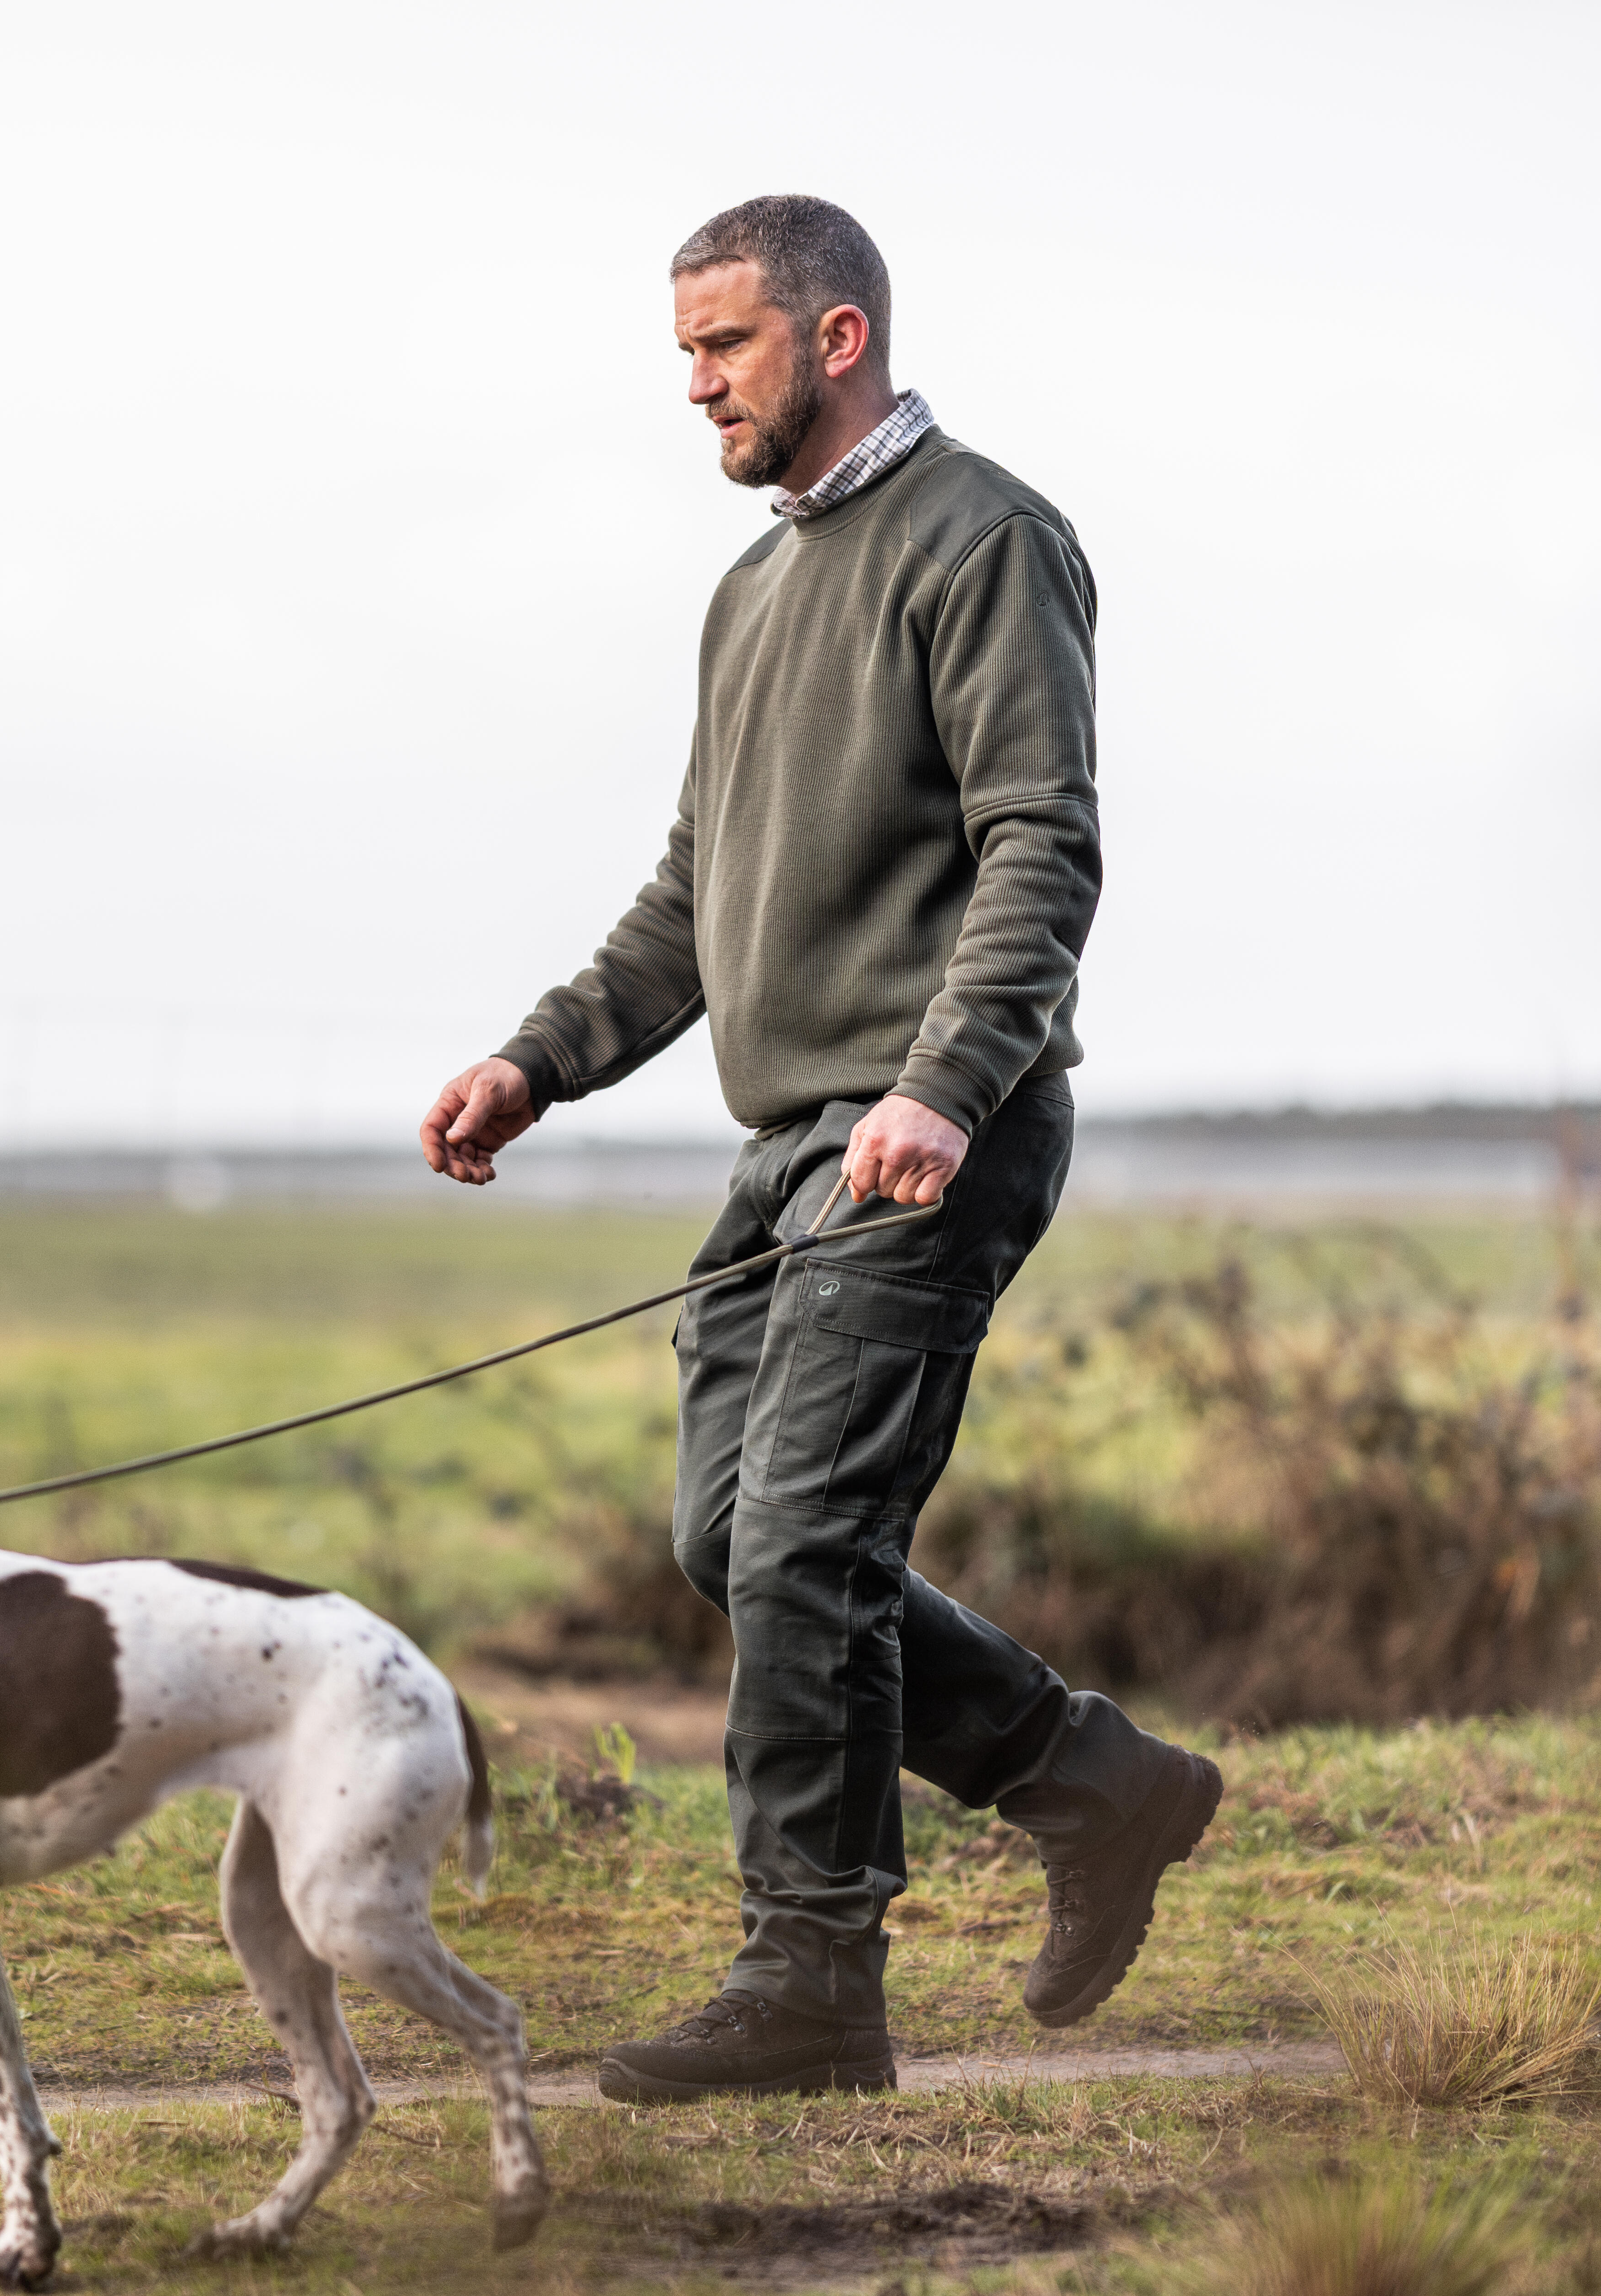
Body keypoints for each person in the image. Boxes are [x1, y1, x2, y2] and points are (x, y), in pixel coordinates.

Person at [417, 195, 1222, 2104]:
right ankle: (1091, 1779)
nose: (694, 387)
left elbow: (1043, 841)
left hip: (934, 1130)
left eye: (725, 349)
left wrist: (941, 1087)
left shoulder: (986, 536)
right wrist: (539, 1061)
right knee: (735, 1538)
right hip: (790, 1152)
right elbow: (695, 893)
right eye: (683, 354)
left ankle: (811, 1976)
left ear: (835, 337)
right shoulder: (752, 589)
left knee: (803, 1536)